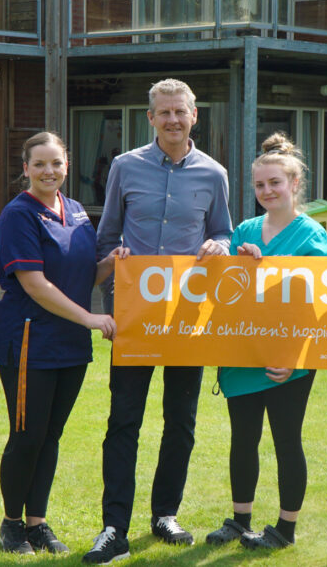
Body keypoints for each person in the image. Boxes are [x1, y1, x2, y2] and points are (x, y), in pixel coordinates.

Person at [84, 78, 233, 564]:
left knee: (181, 421)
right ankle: (113, 526)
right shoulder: (125, 167)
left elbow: (223, 233)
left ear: (195, 115)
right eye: (163, 112)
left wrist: (221, 247)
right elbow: (106, 238)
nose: (172, 119)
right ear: (150, 118)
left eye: (180, 112)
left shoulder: (214, 174)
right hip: (136, 317)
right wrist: (112, 286)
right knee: (123, 420)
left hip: (189, 318)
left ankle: (165, 513)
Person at [0, 132, 124, 555]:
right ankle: (12, 524)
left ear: (67, 165)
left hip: (70, 344)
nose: (49, 171)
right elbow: (34, 284)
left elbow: (83, 275)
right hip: (31, 341)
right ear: (26, 168)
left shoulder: (78, 211)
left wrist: (112, 263)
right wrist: (90, 318)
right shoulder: (18, 215)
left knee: (51, 436)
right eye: (40, 164)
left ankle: (38, 523)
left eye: (57, 163)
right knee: (27, 435)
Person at [205, 133, 327, 551]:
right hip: (244, 355)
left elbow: (324, 307)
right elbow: (229, 292)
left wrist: (297, 359)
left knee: (285, 440)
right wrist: (227, 259)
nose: (267, 191)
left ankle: (284, 529)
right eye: (260, 185)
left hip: (288, 359)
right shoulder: (244, 229)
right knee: (242, 439)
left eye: (275, 183)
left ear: (295, 184)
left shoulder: (313, 236)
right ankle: (240, 520)